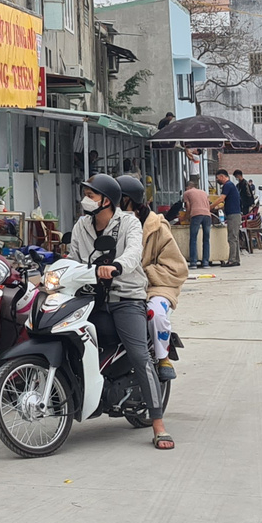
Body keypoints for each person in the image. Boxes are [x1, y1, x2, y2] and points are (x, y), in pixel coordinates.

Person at [70, 174, 170, 450]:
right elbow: (74, 258)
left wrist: (116, 266)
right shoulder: (81, 225)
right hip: (93, 297)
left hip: (126, 297)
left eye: (91, 196)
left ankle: (158, 423)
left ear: (107, 200)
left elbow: (134, 253)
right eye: (86, 195)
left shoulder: (129, 222)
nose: (86, 200)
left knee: (139, 354)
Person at [119, 173, 188, 393]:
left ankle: (163, 358)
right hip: (121, 286)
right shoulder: (111, 224)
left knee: (155, 313)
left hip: (155, 287)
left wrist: (143, 272)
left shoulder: (158, 228)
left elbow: (177, 268)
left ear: (129, 201)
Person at [182, 179, 214, 269]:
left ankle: (193, 263)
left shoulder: (187, 193)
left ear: (188, 187)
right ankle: (206, 262)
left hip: (196, 215)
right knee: (206, 239)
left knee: (193, 239)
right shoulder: (203, 192)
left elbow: (188, 207)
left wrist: (185, 218)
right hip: (207, 215)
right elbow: (208, 205)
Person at [217, 168, 243, 267]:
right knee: (234, 237)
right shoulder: (231, 185)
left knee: (232, 238)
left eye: (217, 178)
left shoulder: (227, 185)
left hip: (233, 215)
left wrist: (210, 206)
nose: (217, 180)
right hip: (235, 213)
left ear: (222, 177)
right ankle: (236, 259)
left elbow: (221, 198)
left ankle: (232, 260)